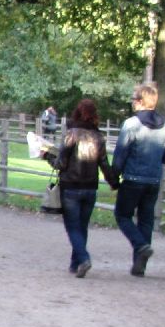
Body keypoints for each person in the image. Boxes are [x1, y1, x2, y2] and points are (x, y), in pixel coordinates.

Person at [43, 99, 118, 278]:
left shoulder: (71, 134)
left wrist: (47, 156)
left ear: (77, 113)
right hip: (90, 187)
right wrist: (114, 182)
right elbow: (104, 164)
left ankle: (83, 258)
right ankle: (75, 264)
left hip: (71, 186)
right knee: (82, 226)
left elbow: (61, 164)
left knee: (72, 226)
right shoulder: (99, 137)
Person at [111, 82, 165, 277]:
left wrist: (114, 177)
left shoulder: (132, 124)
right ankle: (140, 265)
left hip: (132, 178)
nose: (132, 102)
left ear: (140, 101)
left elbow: (120, 154)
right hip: (153, 181)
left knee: (122, 215)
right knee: (146, 221)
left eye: (134, 99)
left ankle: (140, 245)